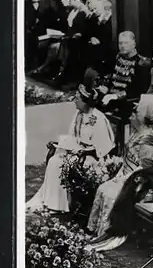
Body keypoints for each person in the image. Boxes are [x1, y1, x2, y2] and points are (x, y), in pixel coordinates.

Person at [26, 85, 115, 213]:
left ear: (85, 101)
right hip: (75, 151)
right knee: (55, 161)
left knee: (61, 163)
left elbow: (104, 147)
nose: (74, 101)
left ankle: (60, 205)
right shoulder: (78, 115)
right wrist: (57, 144)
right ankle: (52, 202)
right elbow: (71, 137)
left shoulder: (99, 119)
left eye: (77, 99)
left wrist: (84, 151)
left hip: (91, 156)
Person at [87, 97, 153, 245]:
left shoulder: (149, 140)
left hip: (139, 183)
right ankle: (96, 230)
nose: (131, 116)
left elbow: (145, 170)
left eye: (135, 113)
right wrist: (118, 175)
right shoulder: (136, 133)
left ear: (141, 117)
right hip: (126, 176)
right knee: (103, 188)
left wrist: (124, 180)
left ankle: (109, 233)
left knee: (111, 194)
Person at [96, 31, 151, 115]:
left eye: (126, 43)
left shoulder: (141, 63)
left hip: (127, 101)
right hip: (110, 97)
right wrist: (105, 87)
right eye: (120, 43)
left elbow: (139, 90)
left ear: (134, 44)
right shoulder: (117, 59)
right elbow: (110, 78)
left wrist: (116, 96)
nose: (122, 46)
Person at [25, 0, 56, 72]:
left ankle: (40, 71)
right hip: (31, 34)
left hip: (46, 34)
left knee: (42, 54)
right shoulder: (26, 3)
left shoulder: (49, 1)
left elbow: (55, 17)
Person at [86, 0, 113, 74]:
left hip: (107, 52)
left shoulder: (111, 21)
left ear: (106, 9)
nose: (94, 11)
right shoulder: (100, 20)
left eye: (97, 8)